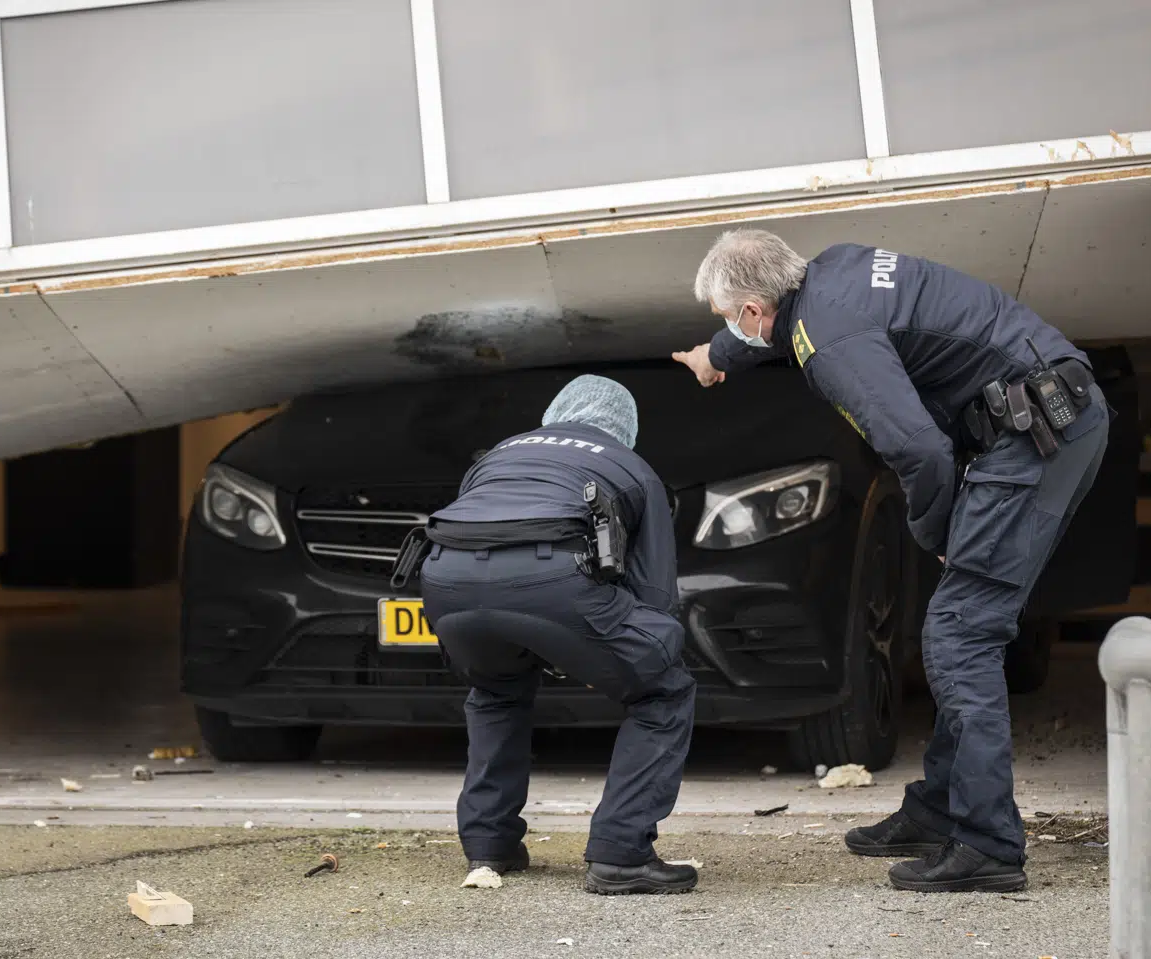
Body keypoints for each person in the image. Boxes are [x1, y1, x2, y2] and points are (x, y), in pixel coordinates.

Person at [674, 230, 1109, 893]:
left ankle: (989, 843)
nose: (734, 328)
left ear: (755, 310)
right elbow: (766, 321)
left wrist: (933, 530)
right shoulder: (830, 270)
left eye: (730, 320)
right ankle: (939, 809)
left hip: (1039, 433)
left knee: (961, 633)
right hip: (1042, 414)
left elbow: (922, 453)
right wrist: (717, 355)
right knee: (959, 624)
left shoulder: (831, 345)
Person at [415, 374, 698, 896]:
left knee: (496, 691)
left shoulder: (499, 454)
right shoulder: (630, 467)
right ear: (625, 429)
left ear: (555, 414)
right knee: (665, 690)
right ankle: (621, 852)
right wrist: (627, 654)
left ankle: (490, 845)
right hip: (555, 582)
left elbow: (480, 538)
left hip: (444, 583)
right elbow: (654, 591)